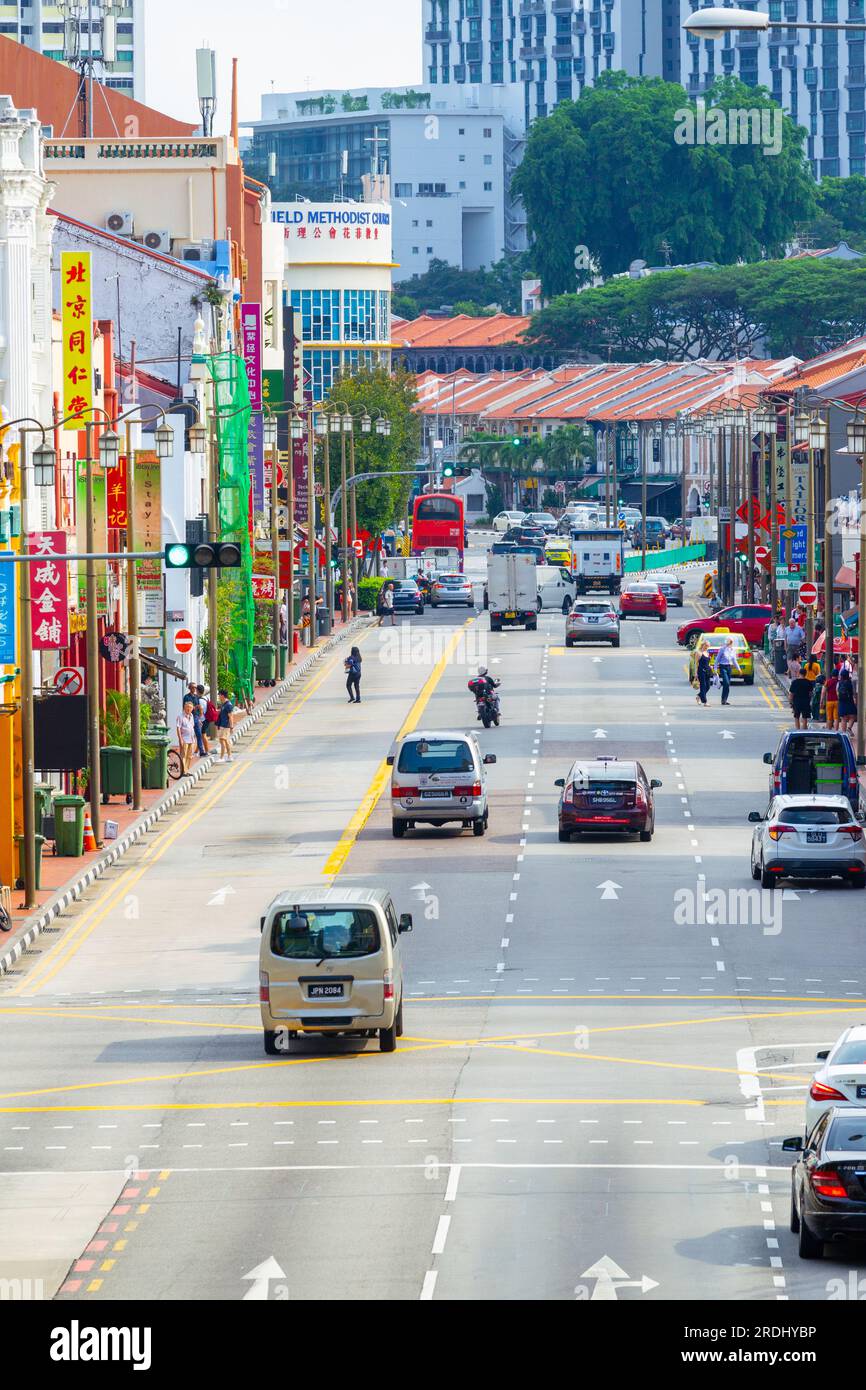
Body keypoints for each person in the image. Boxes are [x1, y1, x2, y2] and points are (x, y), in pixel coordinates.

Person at [716, 636, 741, 706]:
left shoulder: (733, 650)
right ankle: (723, 699)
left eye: (731, 641)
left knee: (727, 684)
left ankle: (724, 700)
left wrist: (739, 669)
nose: (730, 643)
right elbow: (717, 660)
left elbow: (734, 660)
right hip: (722, 666)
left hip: (729, 667)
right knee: (726, 683)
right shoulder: (722, 649)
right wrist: (715, 669)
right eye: (729, 641)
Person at [176, 699, 196, 774]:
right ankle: (183, 771)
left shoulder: (192, 716)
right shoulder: (180, 716)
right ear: (184, 707)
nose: (188, 709)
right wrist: (180, 739)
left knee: (190, 756)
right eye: (187, 707)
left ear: (192, 709)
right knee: (183, 755)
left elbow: (192, 726)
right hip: (184, 739)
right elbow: (178, 728)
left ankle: (187, 770)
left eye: (190, 708)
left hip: (191, 739)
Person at [216, 688, 236, 762]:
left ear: (223, 695)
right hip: (223, 725)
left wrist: (231, 726)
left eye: (219, 695)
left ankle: (222, 757)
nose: (219, 696)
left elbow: (231, 716)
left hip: (226, 726)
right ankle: (229, 756)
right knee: (226, 741)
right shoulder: (224, 704)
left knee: (222, 740)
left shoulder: (228, 705)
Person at [838, 664, 857, 733]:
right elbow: (852, 692)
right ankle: (849, 728)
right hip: (849, 701)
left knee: (843, 718)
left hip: (842, 701)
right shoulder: (849, 682)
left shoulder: (840, 683)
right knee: (853, 715)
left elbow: (837, 691)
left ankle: (843, 733)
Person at [695, 640, 712, 707]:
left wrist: (710, 666)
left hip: (707, 671)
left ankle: (698, 696)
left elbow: (708, 662)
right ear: (703, 645)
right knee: (703, 686)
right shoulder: (699, 653)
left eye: (708, 646)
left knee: (708, 686)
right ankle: (705, 702)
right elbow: (696, 663)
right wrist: (696, 673)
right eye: (706, 645)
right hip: (701, 671)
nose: (707, 647)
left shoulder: (707, 653)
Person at [824, 665, 840, 730]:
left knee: (829, 718)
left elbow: (823, 692)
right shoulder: (839, 682)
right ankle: (836, 731)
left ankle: (829, 731)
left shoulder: (827, 681)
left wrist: (822, 701)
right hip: (837, 701)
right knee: (836, 718)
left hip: (829, 701)